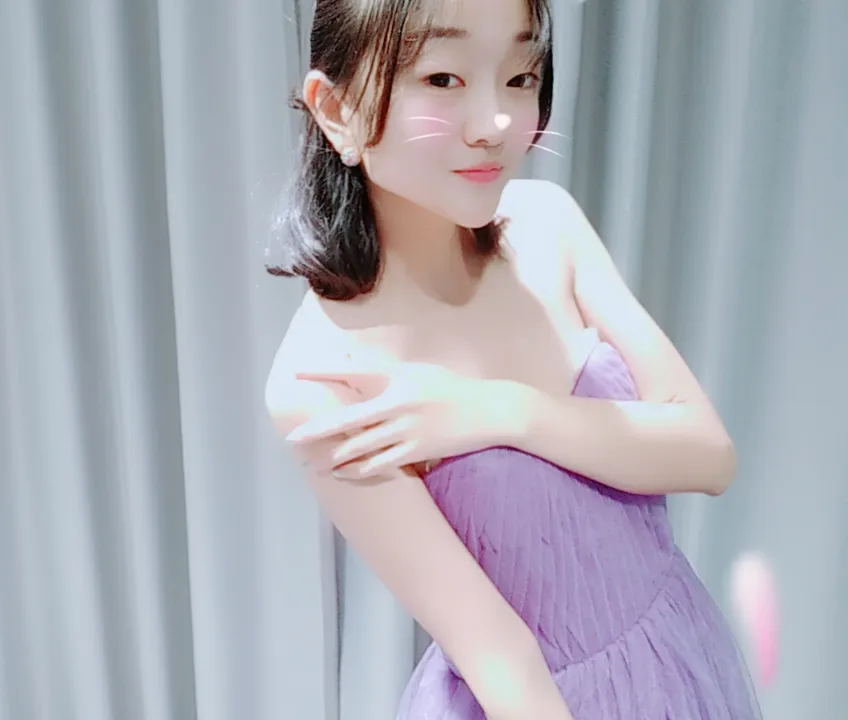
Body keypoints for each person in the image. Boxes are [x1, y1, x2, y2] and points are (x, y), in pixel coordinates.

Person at [264, 0, 763, 717]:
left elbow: (707, 455)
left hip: (675, 649)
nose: (496, 123)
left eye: (520, 76)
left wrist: (498, 410)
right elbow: (500, 657)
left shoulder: (547, 224)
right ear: (336, 110)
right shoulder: (322, 378)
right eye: (442, 78)